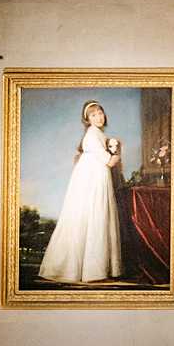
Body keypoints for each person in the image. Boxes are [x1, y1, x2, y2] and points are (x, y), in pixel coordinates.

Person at [37, 101, 126, 285]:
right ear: (87, 119)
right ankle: (89, 270)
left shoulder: (98, 134)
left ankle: (94, 267)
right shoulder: (93, 135)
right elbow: (109, 162)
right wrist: (118, 150)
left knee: (95, 218)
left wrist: (111, 145)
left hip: (96, 177)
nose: (98, 117)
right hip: (92, 181)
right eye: (93, 115)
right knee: (93, 217)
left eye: (100, 113)